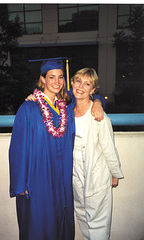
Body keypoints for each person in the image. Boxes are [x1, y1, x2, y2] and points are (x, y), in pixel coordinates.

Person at [9, 58, 104, 240]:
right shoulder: (28, 108)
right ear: (42, 79)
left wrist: (98, 102)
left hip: (61, 178)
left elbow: (87, 97)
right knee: (39, 224)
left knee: (61, 222)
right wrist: (21, 184)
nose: (57, 82)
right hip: (37, 180)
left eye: (60, 77)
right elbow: (17, 149)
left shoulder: (65, 109)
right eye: (51, 77)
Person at [71, 68, 124, 240]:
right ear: (72, 82)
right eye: (78, 81)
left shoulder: (99, 116)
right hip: (75, 178)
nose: (81, 86)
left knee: (99, 226)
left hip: (97, 177)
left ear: (93, 90)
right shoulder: (66, 113)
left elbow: (109, 149)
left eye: (87, 84)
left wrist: (115, 173)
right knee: (83, 219)